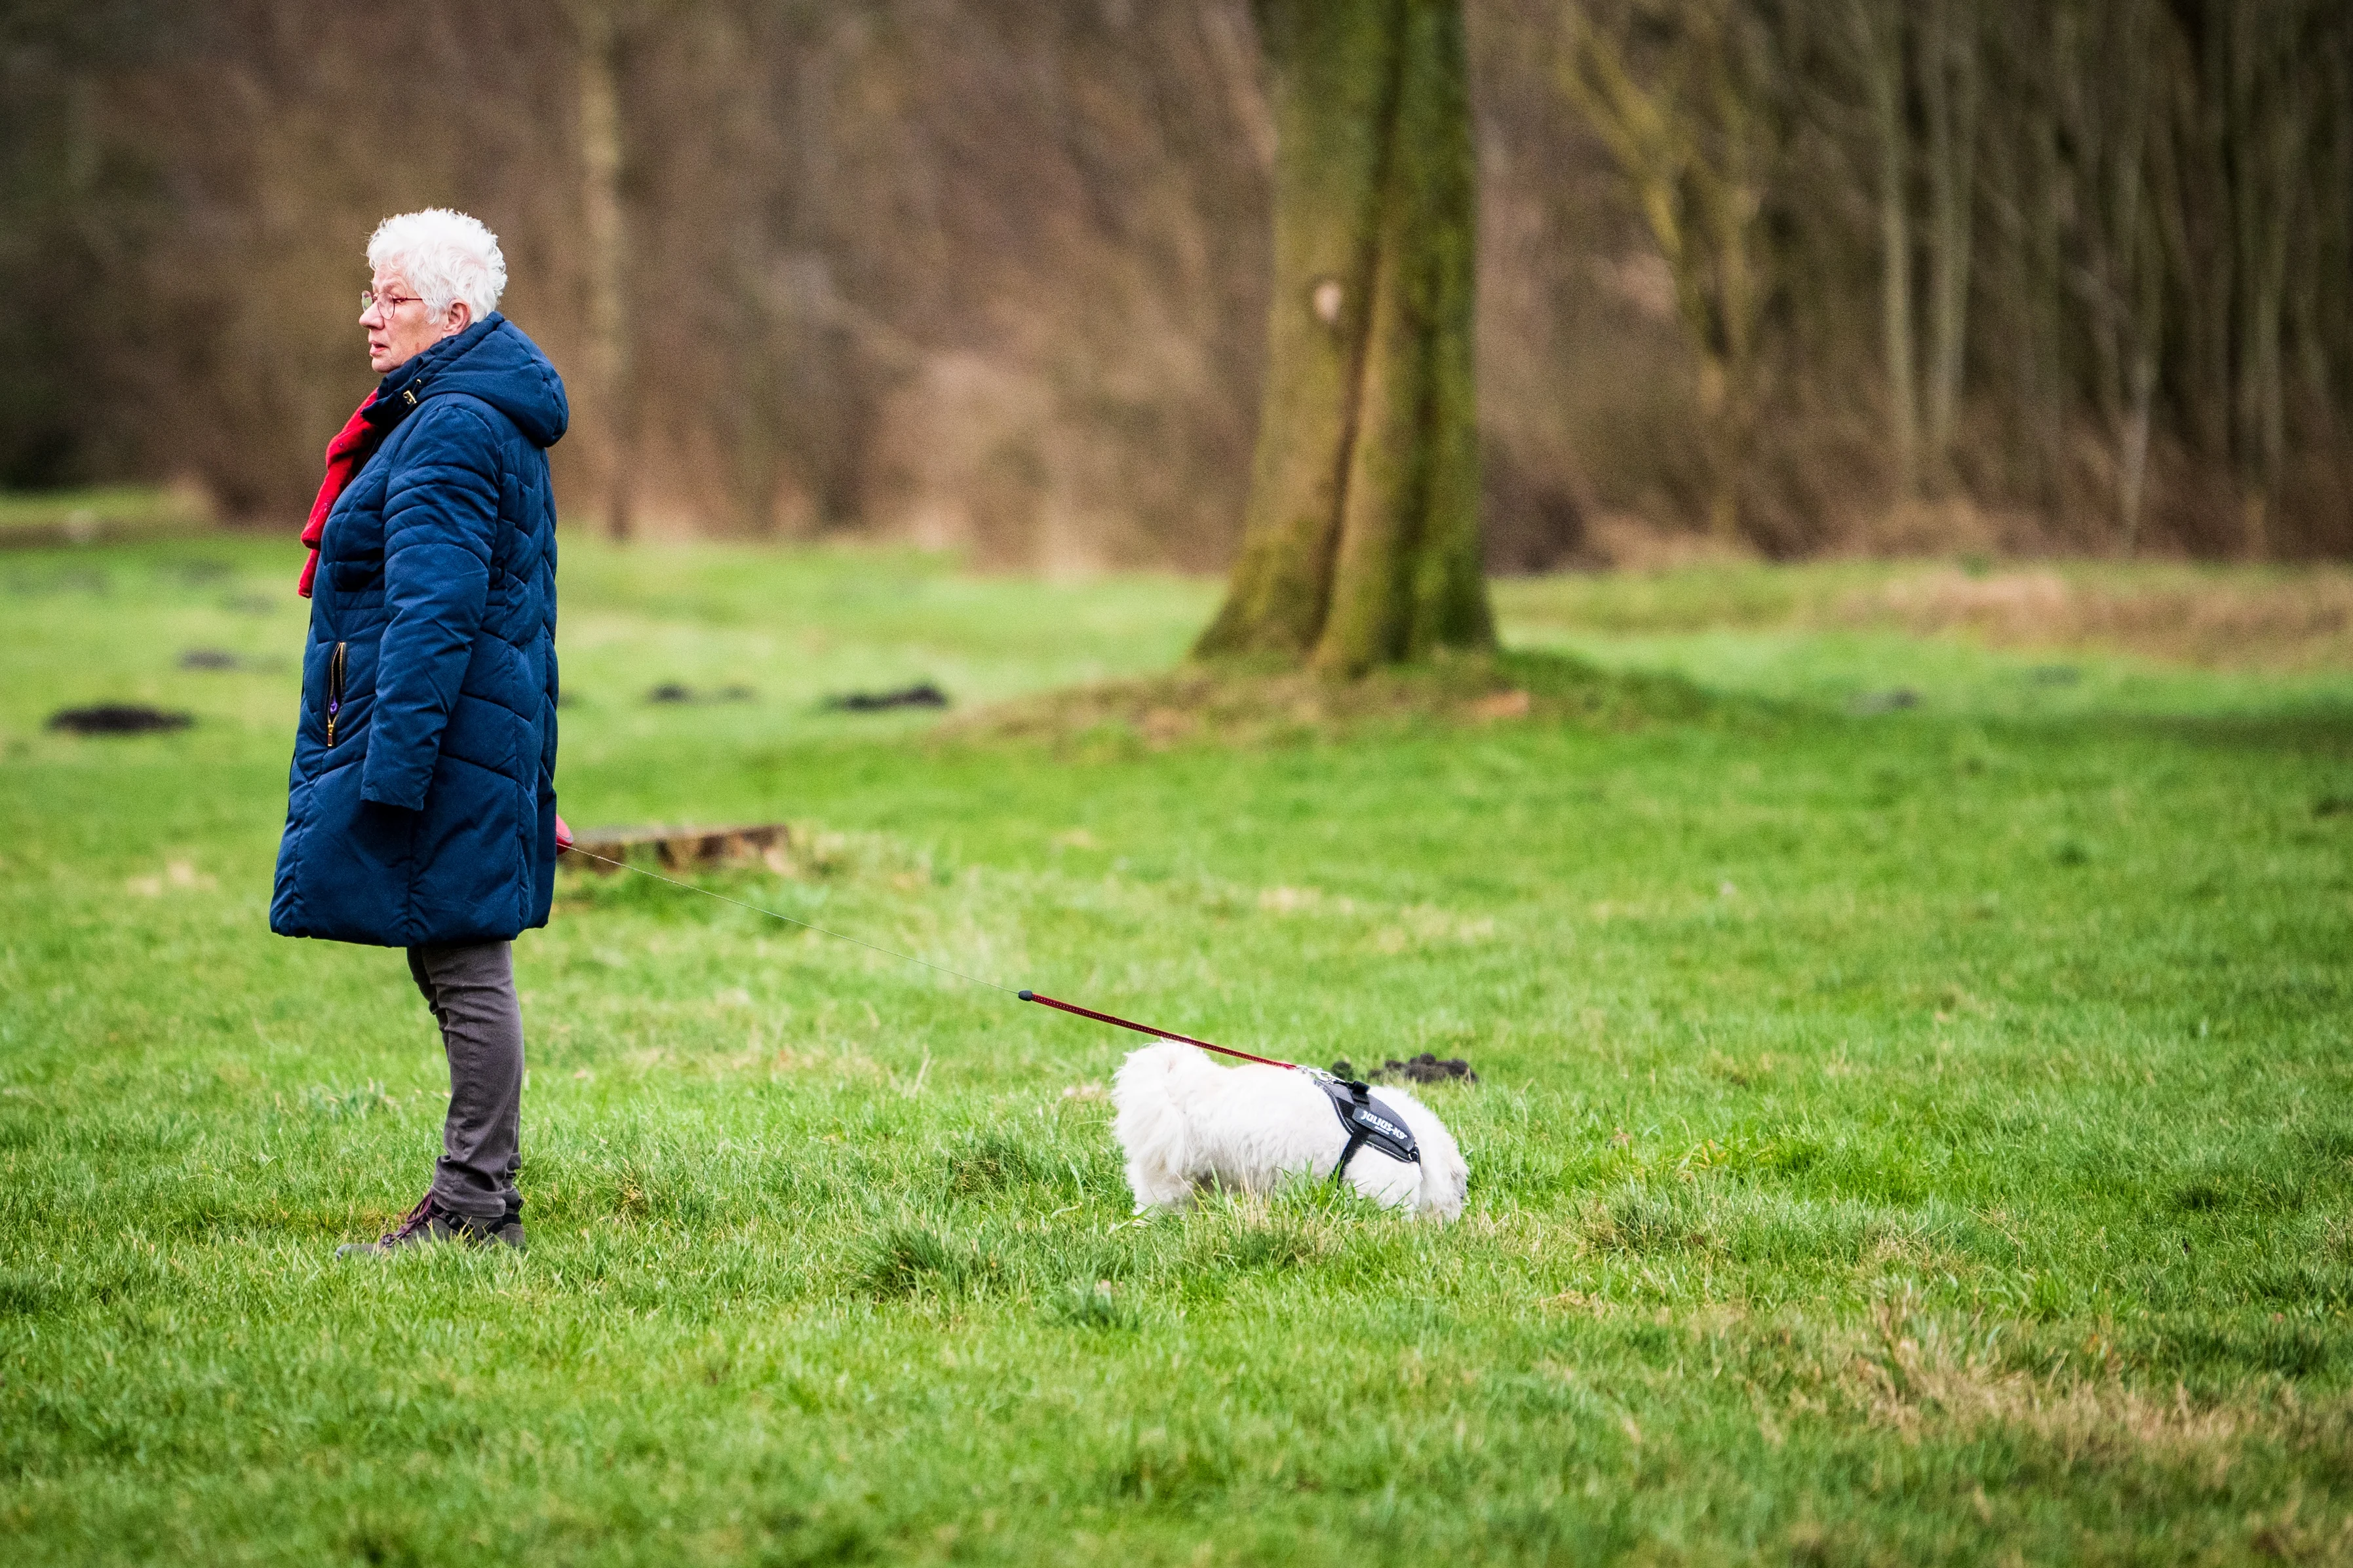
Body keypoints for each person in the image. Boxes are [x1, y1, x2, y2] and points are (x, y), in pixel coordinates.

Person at [270, 208, 568, 1256]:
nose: (369, 315)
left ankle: (476, 1206)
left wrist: (394, 769)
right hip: (465, 728)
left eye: (392, 298)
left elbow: (436, 612)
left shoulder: (450, 426)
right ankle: (474, 1200)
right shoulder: (454, 412)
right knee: (447, 952)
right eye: (370, 293)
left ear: (453, 315)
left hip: (439, 732)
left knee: (463, 960)